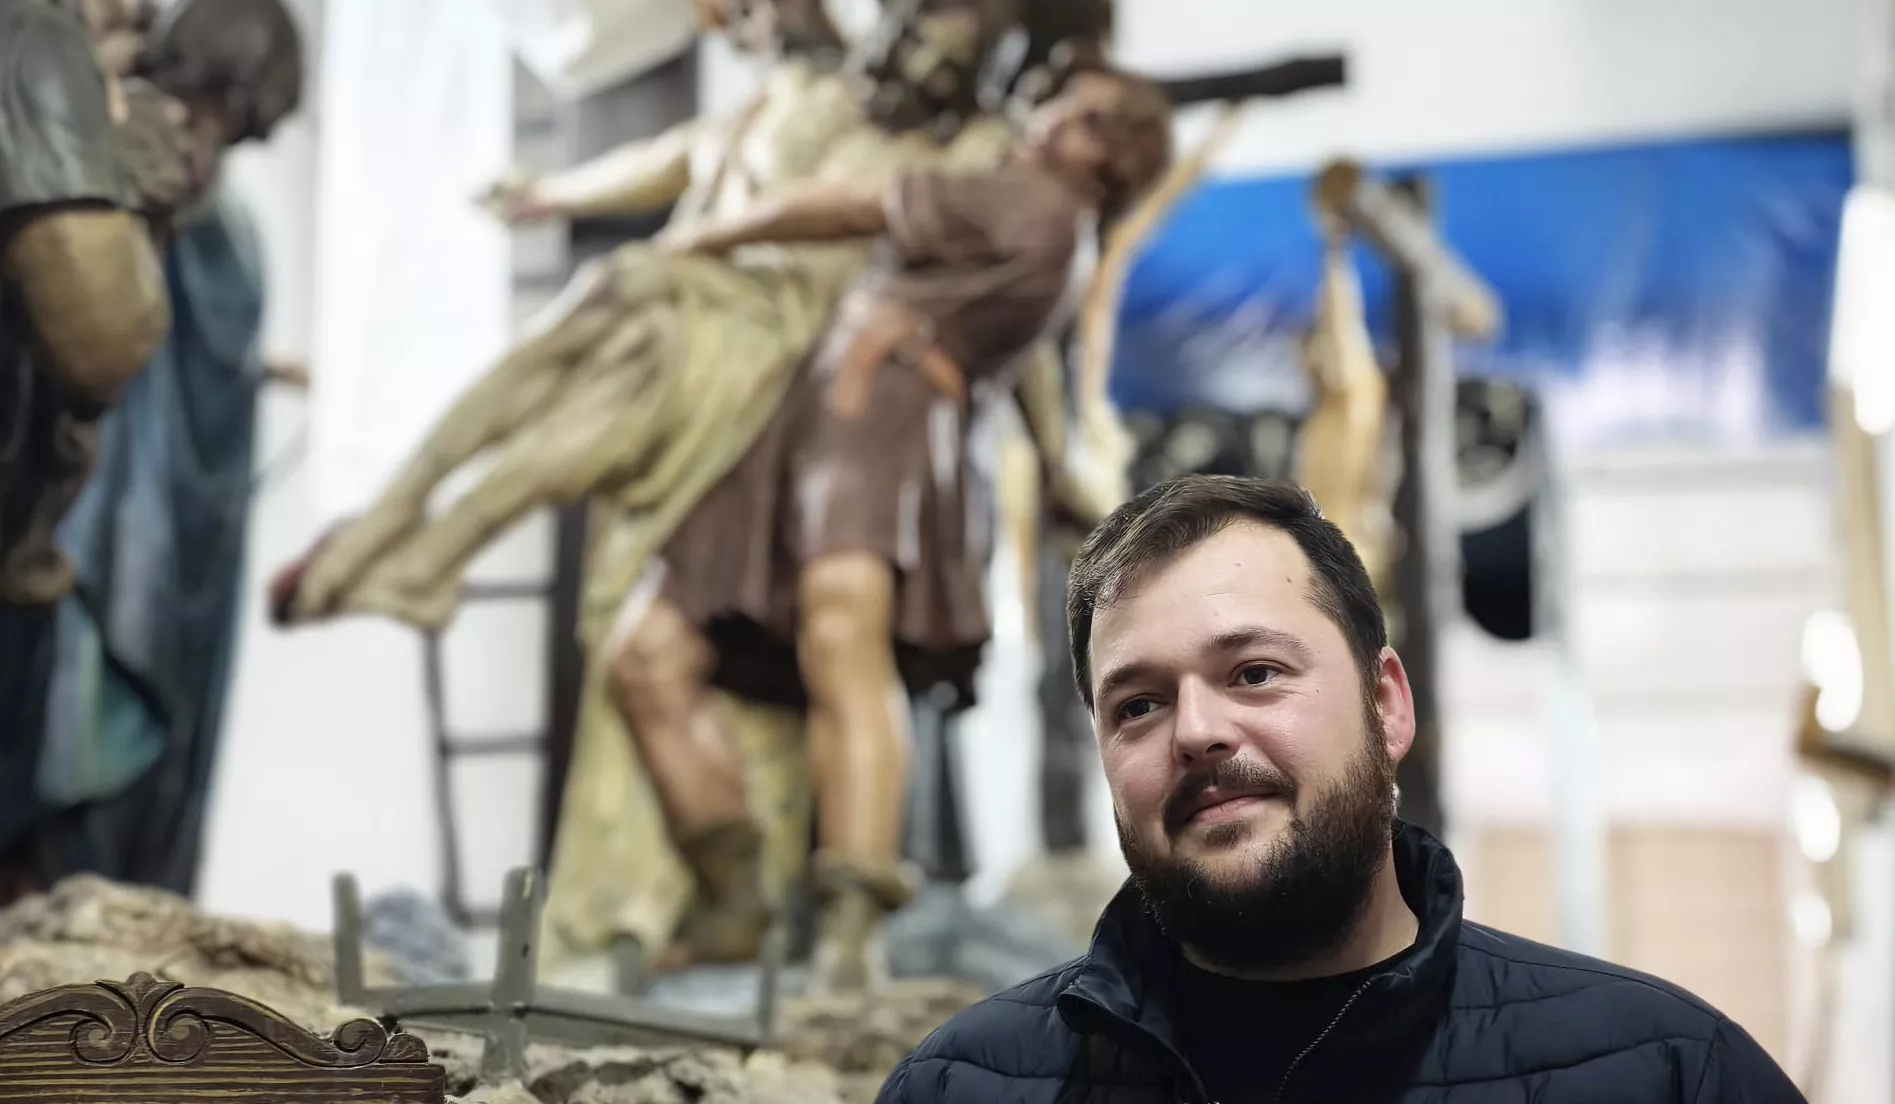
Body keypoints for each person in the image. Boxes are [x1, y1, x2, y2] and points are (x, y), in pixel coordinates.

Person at [876, 474, 1804, 1102]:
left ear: (1385, 704)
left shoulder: (1663, 1072)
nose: (1194, 732)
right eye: (1138, 705)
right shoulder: (961, 1087)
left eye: (1254, 673)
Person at [605, 62, 1171, 992]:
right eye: (1058, 103)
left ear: (1109, 152)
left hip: (880, 417)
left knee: (840, 642)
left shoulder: (1031, 204)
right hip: (814, 414)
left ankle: (849, 926)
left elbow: (848, 203)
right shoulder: (1039, 220)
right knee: (648, 653)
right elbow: (1028, 377)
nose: (1045, 117)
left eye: (1077, 115)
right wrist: (1056, 468)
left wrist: (706, 232)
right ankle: (735, 898)